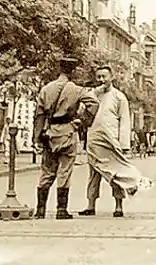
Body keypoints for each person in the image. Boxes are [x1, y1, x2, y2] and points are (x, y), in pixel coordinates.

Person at [32, 56, 101, 220]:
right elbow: (94, 103)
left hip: (49, 133)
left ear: (59, 69)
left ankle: (40, 210)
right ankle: (61, 210)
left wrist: (37, 138)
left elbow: (39, 115)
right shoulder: (77, 89)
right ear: (73, 71)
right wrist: (83, 121)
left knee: (47, 171)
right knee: (65, 171)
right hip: (68, 132)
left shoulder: (46, 89)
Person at [80, 65, 144, 218]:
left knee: (115, 173)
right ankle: (90, 205)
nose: (102, 80)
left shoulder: (119, 97)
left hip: (111, 140)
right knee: (93, 174)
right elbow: (81, 112)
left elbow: (125, 122)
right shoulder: (92, 95)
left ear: (112, 77)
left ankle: (118, 206)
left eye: (104, 76)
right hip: (94, 139)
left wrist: (124, 145)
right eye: (99, 77)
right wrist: (92, 93)